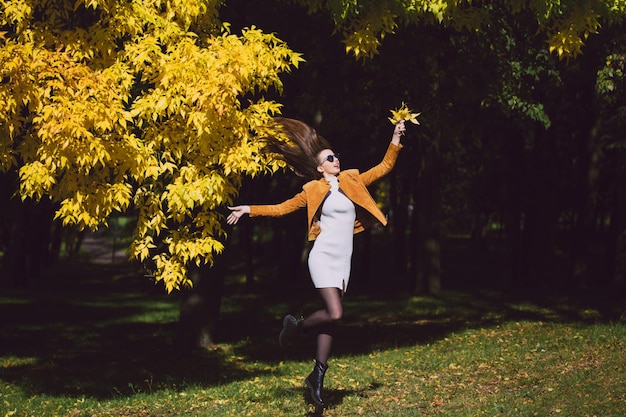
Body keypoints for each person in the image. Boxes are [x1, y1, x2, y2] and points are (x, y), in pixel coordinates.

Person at [226, 117, 406, 408]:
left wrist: (396, 137)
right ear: (320, 167)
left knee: (330, 324)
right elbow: (281, 208)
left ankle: (316, 380)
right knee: (335, 313)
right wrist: (249, 209)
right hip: (322, 256)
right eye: (330, 158)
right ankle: (296, 326)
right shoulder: (312, 189)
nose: (336, 159)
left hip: (343, 261)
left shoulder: (352, 179)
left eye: (336, 156)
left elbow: (384, 167)